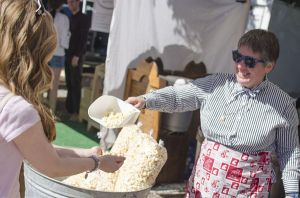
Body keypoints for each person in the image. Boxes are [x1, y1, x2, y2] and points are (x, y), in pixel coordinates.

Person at [126, 29, 300, 198]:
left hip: (249, 191)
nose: (240, 66)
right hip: (204, 185)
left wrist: (292, 192)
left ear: (269, 66)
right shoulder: (215, 85)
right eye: (237, 57)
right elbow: (179, 96)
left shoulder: (283, 105)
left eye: (249, 61)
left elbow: (289, 152)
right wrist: (146, 100)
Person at [0, 1, 125, 197]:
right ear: (37, 54)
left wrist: (86, 154)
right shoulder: (16, 108)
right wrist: (98, 163)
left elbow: (37, 148)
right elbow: (52, 166)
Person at [64, 0, 90, 121]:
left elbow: (83, 39)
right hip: (68, 53)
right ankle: (69, 110)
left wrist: (77, 55)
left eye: (73, 2)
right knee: (69, 82)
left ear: (78, 2)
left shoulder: (84, 18)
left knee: (75, 83)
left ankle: (76, 112)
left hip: (77, 56)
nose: (71, 5)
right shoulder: (69, 17)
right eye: (69, 3)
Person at [48, 0, 70, 112]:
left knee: (42, 85)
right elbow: (64, 42)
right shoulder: (64, 18)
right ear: (61, 5)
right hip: (58, 53)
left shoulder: (44, 15)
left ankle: (39, 111)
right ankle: (51, 112)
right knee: (54, 86)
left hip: (45, 54)